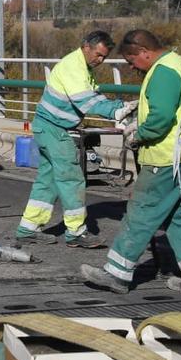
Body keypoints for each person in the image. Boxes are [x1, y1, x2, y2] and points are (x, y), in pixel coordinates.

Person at [80, 29, 181, 293]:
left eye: (132, 61)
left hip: (168, 158)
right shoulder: (177, 63)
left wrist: (138, 135)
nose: (132, 67)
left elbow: (161, 118)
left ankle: (117, 273)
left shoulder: (162, 73)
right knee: (179, 213)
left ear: (144, 52)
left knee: (142, 212)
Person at [15, 31, 137, 247]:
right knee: (72, 179)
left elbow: (92, 96)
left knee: (49, 180)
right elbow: (86, 101)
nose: (99, 60)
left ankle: (28, 228)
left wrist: (118, 107)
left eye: (104, 57)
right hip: (55, 129)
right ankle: (76, 233)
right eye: (98, 55)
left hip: (48, 127)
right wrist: (117, 112)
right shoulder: (74, 67)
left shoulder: (82, 67)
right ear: (85, 47)